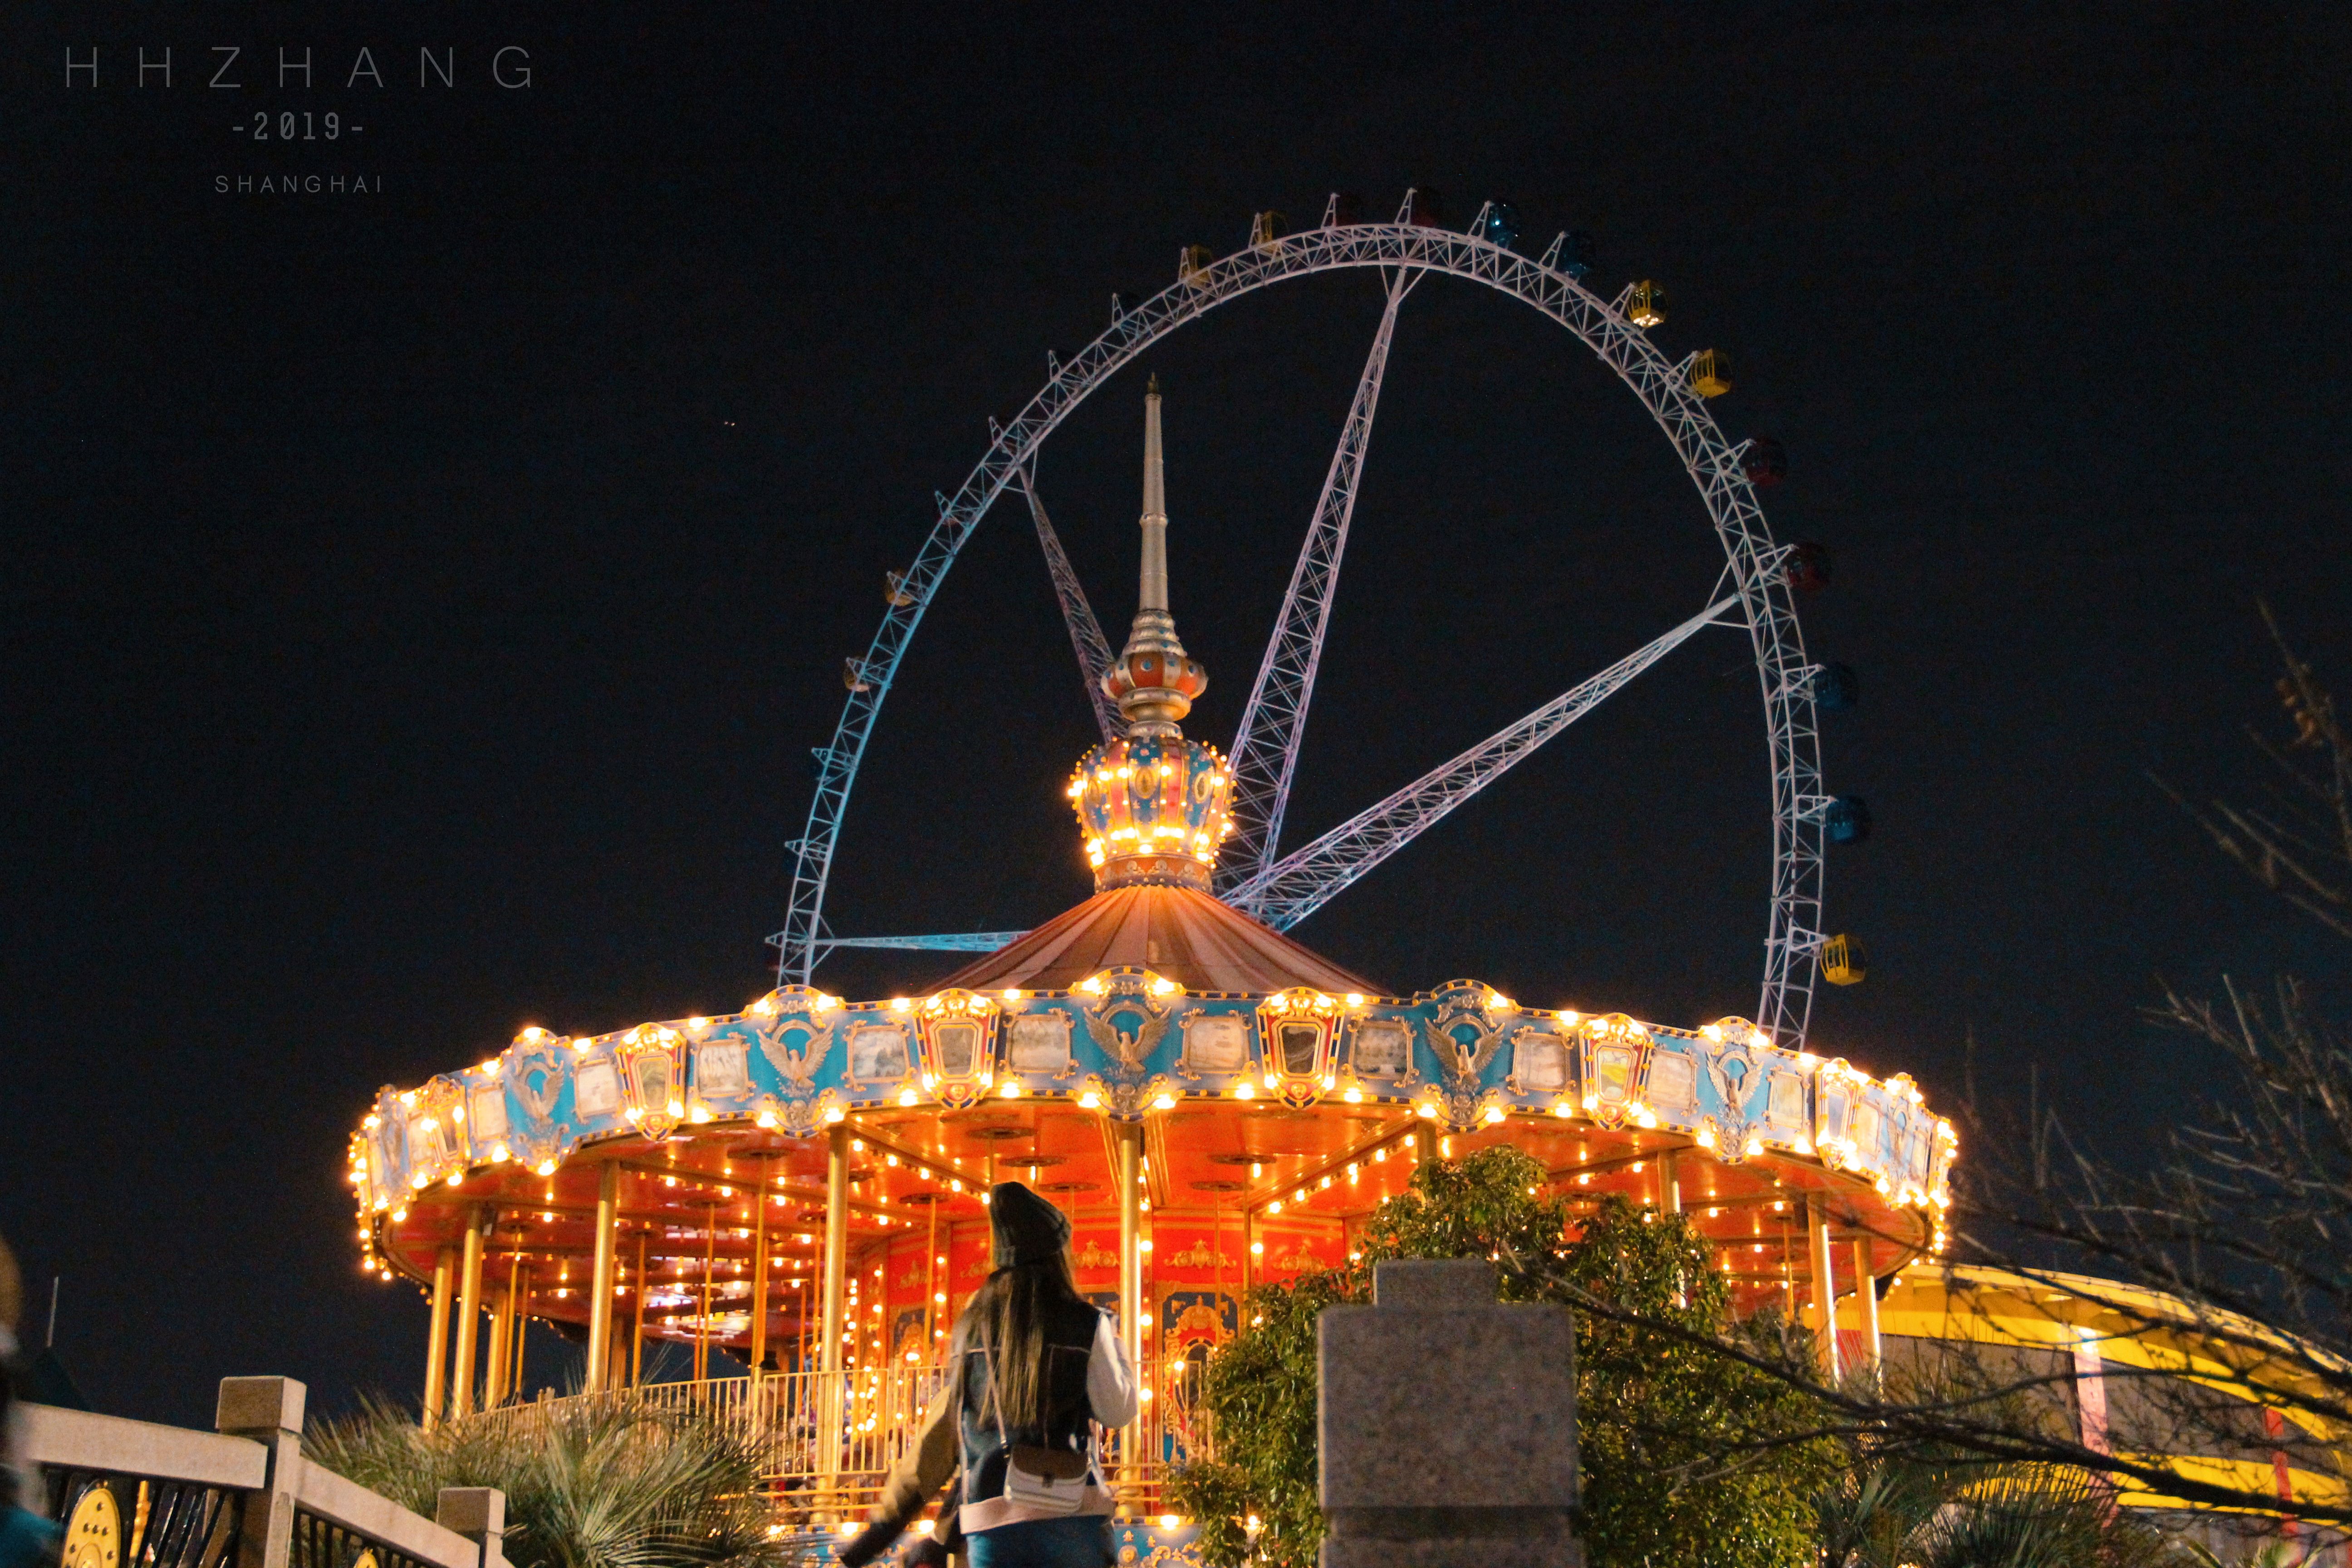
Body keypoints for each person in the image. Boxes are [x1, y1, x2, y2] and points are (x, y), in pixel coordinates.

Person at [837, 1183, 1135, 1568]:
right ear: (1058, 1256)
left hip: (990, 1521)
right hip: (1070, 1511)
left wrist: (874, 1538)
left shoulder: (969, 1332)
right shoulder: (1087, 1323)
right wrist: (1113, 1343)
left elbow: (938, 1443)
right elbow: (1119, 1411)